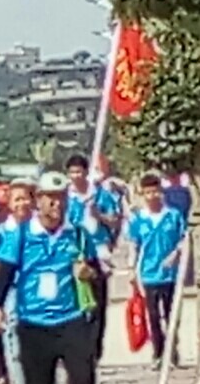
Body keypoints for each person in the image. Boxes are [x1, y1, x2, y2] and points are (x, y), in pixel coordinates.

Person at [0, 172, 102, 384]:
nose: (56, 205)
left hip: (71, 319)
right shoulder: (22, 235)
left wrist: (89, 275)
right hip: (33, 322)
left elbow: (98, 278)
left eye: (61, 198)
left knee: (83, 380)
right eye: (49, 199)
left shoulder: (77, 235)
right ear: (37, 201)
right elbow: (4, 273)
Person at [0, 179, 37, 384]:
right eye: (17, 199)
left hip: (38, 290)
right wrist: (7, 263)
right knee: (15, 344)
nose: (22, 203)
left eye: (26, 198)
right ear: (9, 203)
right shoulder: (1, 233)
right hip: (13, 291)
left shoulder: (42, 230)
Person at [128, 172, 188, 370]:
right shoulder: (139, 220)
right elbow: (134, 245)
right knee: (153, 316)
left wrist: (175, 254)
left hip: (171, 274)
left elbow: (185, 238)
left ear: (161, 192)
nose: (152, 196)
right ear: (142, 194)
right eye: (148, 192)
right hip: (149, 274)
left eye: (155, 191)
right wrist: (131, 270)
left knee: (172, 314)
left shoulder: (173, 215)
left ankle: (173, 352)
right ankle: (158, 353)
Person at [66, 154, 121, 360]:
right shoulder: (66, 198)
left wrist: (99, 215)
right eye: (72, 172)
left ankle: (95, 350)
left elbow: (115, 220)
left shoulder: (100, 195)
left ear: (86, 172)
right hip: (76, 256)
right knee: (76, 303)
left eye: (79, 172)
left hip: (97, 254)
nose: (76, 176)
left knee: (98, 303)